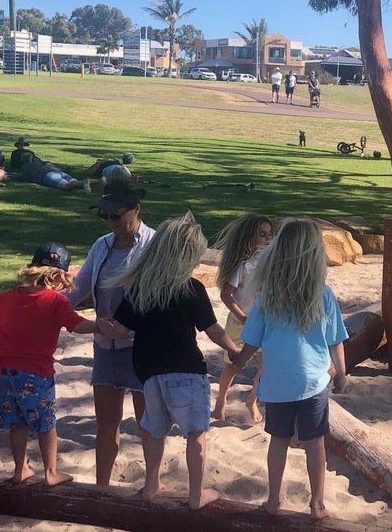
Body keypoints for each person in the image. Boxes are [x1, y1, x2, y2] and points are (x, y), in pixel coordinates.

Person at [104, 213, 240, 507]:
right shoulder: (191, 288)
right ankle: (195, 495)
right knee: (195, 432)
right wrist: (234, 349)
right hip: (187, 372)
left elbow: (120, 328)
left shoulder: (141, 288)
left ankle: (151, 484)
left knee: (154, 430)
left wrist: (103, 325)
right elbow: (213, 329)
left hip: (150, 375)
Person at [235, 219, 349, 520]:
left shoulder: (268, 297)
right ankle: (317, 503)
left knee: (279, 441)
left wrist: (238, 360)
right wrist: (343, 373)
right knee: (314, 443)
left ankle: (273, 500)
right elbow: (336, 340)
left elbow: (250, 340)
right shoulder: (323, 294)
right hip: (313, 382)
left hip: (277, 384)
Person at [64, 180, 158, 486]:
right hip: (105, 344)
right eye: (104, 216)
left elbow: (160, 296)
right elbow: (78, 290)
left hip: (142, 346)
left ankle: (152, 483)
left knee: (148, 422)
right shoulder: (101, 244)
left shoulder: (153, 245)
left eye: (116, 216)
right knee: (106, 422)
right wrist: (46, 308)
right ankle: (101, 486)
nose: (111, 223)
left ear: (136, 210)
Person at [0, 242, 97, 486]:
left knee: (17, 423)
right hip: (37, 374)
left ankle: (20, 469)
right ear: (59, 276)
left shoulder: (9, 297)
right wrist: (100, 326)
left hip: (6, 373)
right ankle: (51, 472)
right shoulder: (55, 302)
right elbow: (76, 325)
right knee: (46, 423)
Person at [212, 213, 274, 423]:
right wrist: (241, 315)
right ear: (249, 238)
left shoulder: (270, 265)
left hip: (265, 323)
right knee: (233, 365)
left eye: (270, 235)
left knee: (265, 366)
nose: (267, 239)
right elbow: (225, 294)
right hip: (241, 323)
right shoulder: (244, 265)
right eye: (262, 235)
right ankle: (221, 400)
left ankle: (252, 400)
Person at [10, 138, 82, 190]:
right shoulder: (35, 159)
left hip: (47, 175)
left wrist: (19, 176)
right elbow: (46, 162)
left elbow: (26, 178)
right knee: (76, 183)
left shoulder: (25, 165)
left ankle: (84, 182)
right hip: (54, 170)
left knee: (67, 186)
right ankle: (86, 181)